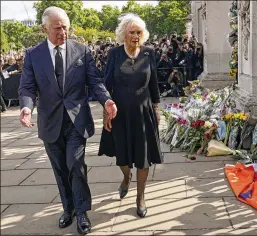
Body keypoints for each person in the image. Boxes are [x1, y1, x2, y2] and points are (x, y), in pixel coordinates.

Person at [18, 6, 117, 235]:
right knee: (60, 169)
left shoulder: (82, 51)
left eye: (65, 27)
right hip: (50, 122)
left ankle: (82, 212)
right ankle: (68, 208)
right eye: (57, 28)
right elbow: (27, 87)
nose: (62, 31)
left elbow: (95, 82)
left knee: (75, 165)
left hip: (77, 120)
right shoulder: (34, 55)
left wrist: (107, 101)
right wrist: (25, 108)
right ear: (45, 29)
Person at [98, 13, 163, 218]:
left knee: (143, 157)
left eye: (138, 32)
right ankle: (126, 178)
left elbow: (153, 83)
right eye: (132, 32)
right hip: (119, 112)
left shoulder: (149, 53)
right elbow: (106, 83)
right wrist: (105, 111)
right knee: (122, 157)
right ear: (123, 34)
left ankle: (140, 196)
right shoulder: (115, 54)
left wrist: (156, 107)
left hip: (143, 112)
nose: (135, 36)